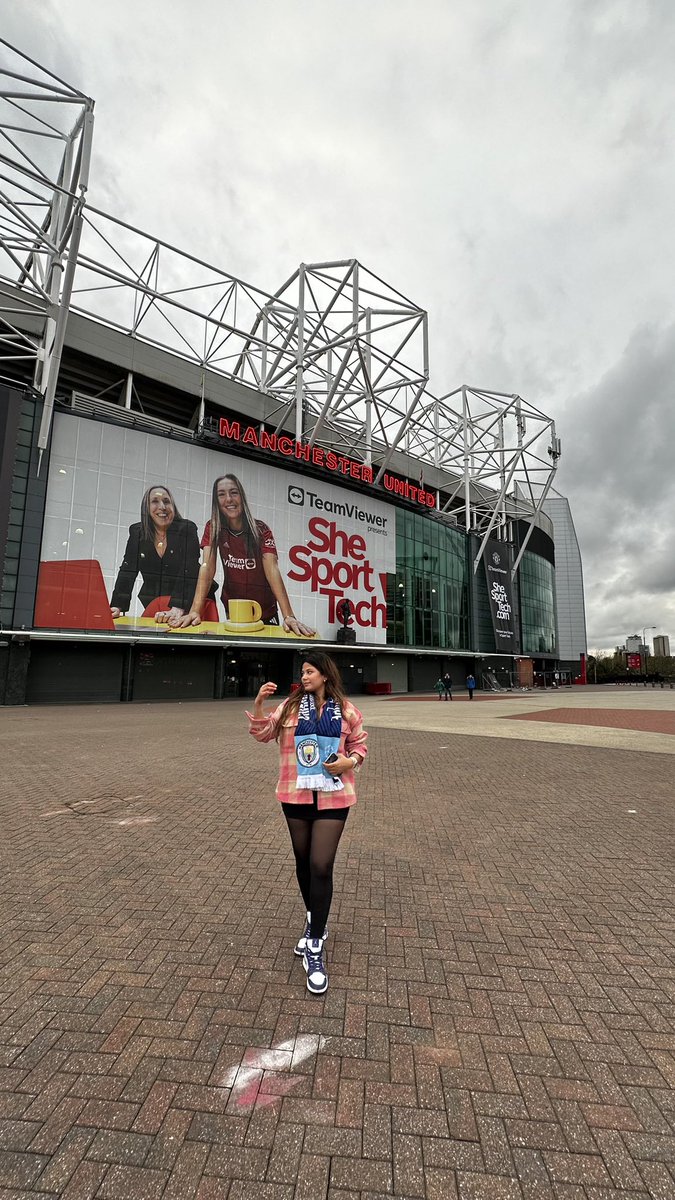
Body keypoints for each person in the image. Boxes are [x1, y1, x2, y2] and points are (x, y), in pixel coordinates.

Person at [246, 653, 367, 995]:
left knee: (320, 864)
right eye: (303, 671)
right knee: (302, 863)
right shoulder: (288, 706)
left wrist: (350, 760)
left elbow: (359, 743)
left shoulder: (345, 710)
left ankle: (314, 942)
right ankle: (317, 920)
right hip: (295, 796)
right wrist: (259, 705)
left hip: (333, 797)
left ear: (325, 675)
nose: (305, 676)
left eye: (310, 671)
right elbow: (263, 733)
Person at [170, 474, 314, 635]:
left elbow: (272, 569)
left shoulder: (260, 529)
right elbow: (207, 567)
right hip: (234, 607)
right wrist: (195, 610)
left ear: (242, 497)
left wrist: (289, 616)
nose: (229, 499)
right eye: (222, 494)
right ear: (216, 501)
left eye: (234, 492)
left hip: (265, 609)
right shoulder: (213, 527)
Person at [110, 485, 217, 622]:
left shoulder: (187, 528)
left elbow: (189, 567)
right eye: (155, 501)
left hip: (190, 600)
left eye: (167, 501)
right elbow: (128, 570)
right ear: (146, 508)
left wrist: (178, 606)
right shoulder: (137, 532)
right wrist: (117, 605)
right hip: (155, 601)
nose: (162, 506)